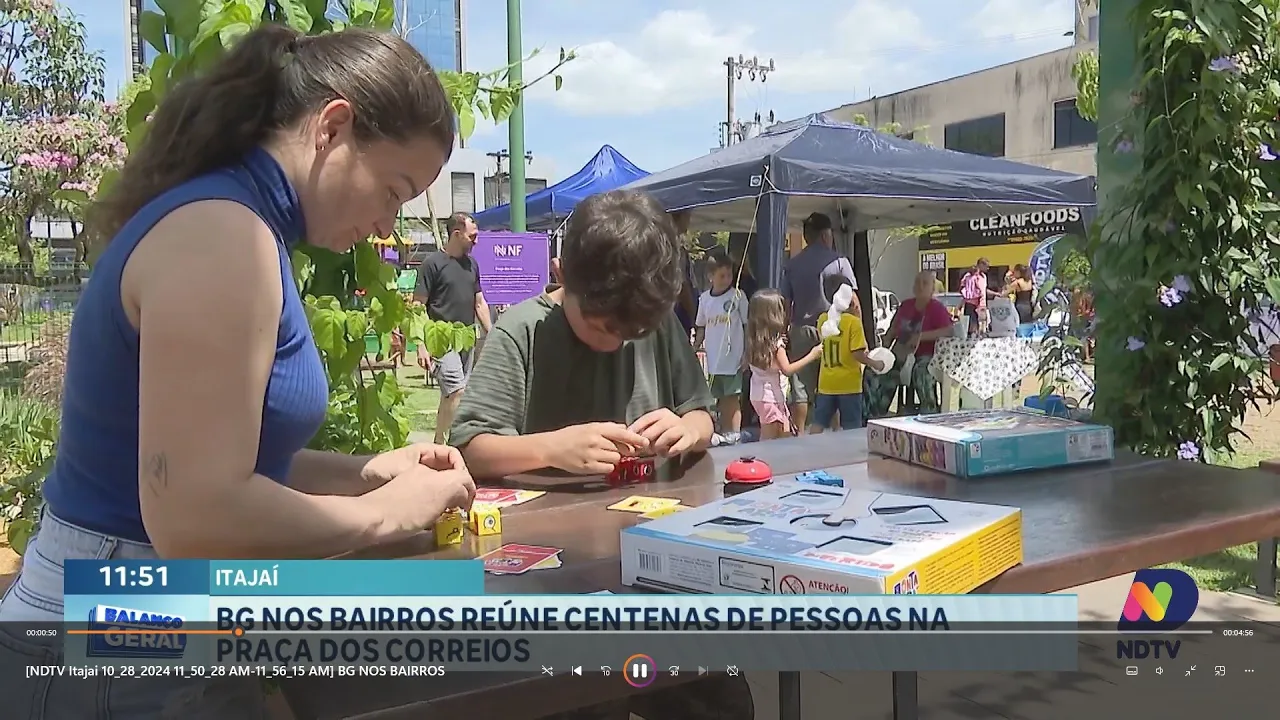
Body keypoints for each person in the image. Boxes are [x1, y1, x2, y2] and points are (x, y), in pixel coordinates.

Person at [0, 25, 476, 717]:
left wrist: (365, 470)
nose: (386, 224)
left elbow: (220, 455)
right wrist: (382, 514)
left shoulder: (233, 220)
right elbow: (195, 513)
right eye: (392, 189)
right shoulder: (225, 236)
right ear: (333, 127)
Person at [445, 190, 751, 720]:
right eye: (605, 328)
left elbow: (702, 412)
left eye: (632, 332)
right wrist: (552, 447)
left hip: (655, 566)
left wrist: (689, 428)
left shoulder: (651, 324)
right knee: (585, 699)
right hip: (555, 580)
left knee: (720, 696)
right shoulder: (522, 333)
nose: (617, 342)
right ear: (563, 276)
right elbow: (468, 448)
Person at [415, 211, 491, 444]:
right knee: (457, 392)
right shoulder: (432, 264)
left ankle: (439, 441)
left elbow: (479, 303)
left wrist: (495, 333)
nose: (476, 241)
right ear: (456, 234)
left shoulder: (472, 265)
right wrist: (420, 345)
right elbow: (417, 307)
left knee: (451, 395)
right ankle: (455, 444)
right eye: (472, 236)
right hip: (440, 340)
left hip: (465, 339)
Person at [779, 212, 858, 432]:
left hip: (801, 329)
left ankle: (801, 435)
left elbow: (786, 303)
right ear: (826, 235)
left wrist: (785, 331)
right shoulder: (840, 261)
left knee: (801, 388)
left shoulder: (792, 264)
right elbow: (853, 301)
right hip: (834, 331)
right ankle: (834, 435)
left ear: (806, 236)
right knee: (831, 385)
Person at [865, 271, 956, 417]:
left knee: (921, 371)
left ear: (932, 288)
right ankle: (873, 414)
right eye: (917, 282)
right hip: (900, 353)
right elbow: (893, 329)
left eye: (924, 283)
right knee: (873, 370)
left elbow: (949, 331)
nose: (920, 286)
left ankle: (929, 413)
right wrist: (883, 347)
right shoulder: (905, 306)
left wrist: (922, 336)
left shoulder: (937, 308)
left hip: (927, 355)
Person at [810, 277, 886, 433]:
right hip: (849, 385)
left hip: (826, 383)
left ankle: (811, 448)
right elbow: (857, 353)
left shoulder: (822, 319)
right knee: (852, 426)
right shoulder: (853, 322)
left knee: (819, 422)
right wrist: (875, 363)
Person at [746, 290, 823, 440]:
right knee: (771, 439)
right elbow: (787, 369)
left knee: (782, 434)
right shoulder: (776, 345)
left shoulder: (754, 340)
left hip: (758, 395)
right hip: (772, 398)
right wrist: (812, 355)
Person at [694, 252, 748, 433]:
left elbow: (747, 325)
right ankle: (724, 433)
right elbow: (701, 326)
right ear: (711, 277)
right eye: (722, 276)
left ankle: (734, 434)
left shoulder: (738, 296)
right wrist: (693, 348)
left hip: (733, 360)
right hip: (713, 360)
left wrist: (747, 352)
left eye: (729, 275)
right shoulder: (704, 300)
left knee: (732, 399)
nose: (727, 280)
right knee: (719, 399)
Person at [669, 210, 699, 339]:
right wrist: (693, 316)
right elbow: (682, 285)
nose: (689, 221)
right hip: (678, 314)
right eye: (688, 217)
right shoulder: (673, 249)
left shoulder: (673, 245)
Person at [960, 257, 993, 337]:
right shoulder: (969, 275)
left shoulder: (984, 277)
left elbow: (984, 290)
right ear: (980, 265)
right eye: (986, 266)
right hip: (971, 304)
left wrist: (996, 294)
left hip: (982, 305)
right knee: (972, 328)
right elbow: (964, 288)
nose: (988, 268)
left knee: (982, 328)